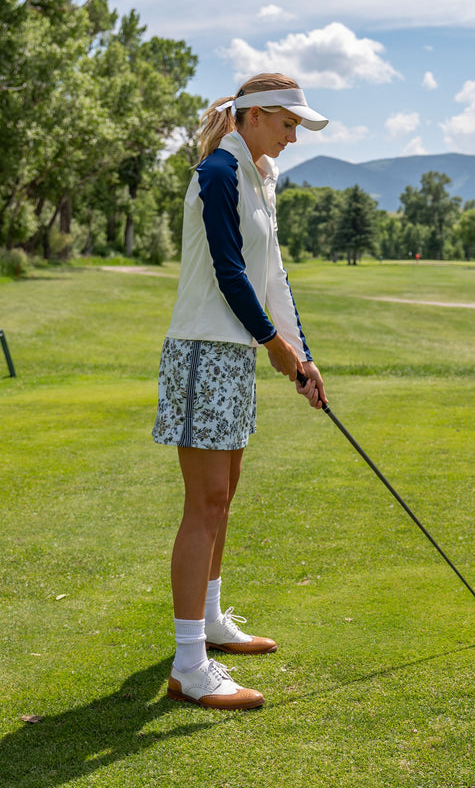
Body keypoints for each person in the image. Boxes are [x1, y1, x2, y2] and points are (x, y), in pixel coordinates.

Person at [152, 72, 329, 710]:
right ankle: (188, 665)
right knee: (203, 503)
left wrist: (303, 356)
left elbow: (271, 275)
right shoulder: (219, 173)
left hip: (233, 356)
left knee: (222, 498)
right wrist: (275, 348)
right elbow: (230, 273)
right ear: (254, 116)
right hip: (203, 352)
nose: (292, 137)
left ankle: (211, 621)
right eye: (287, 124)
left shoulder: (261, 177)